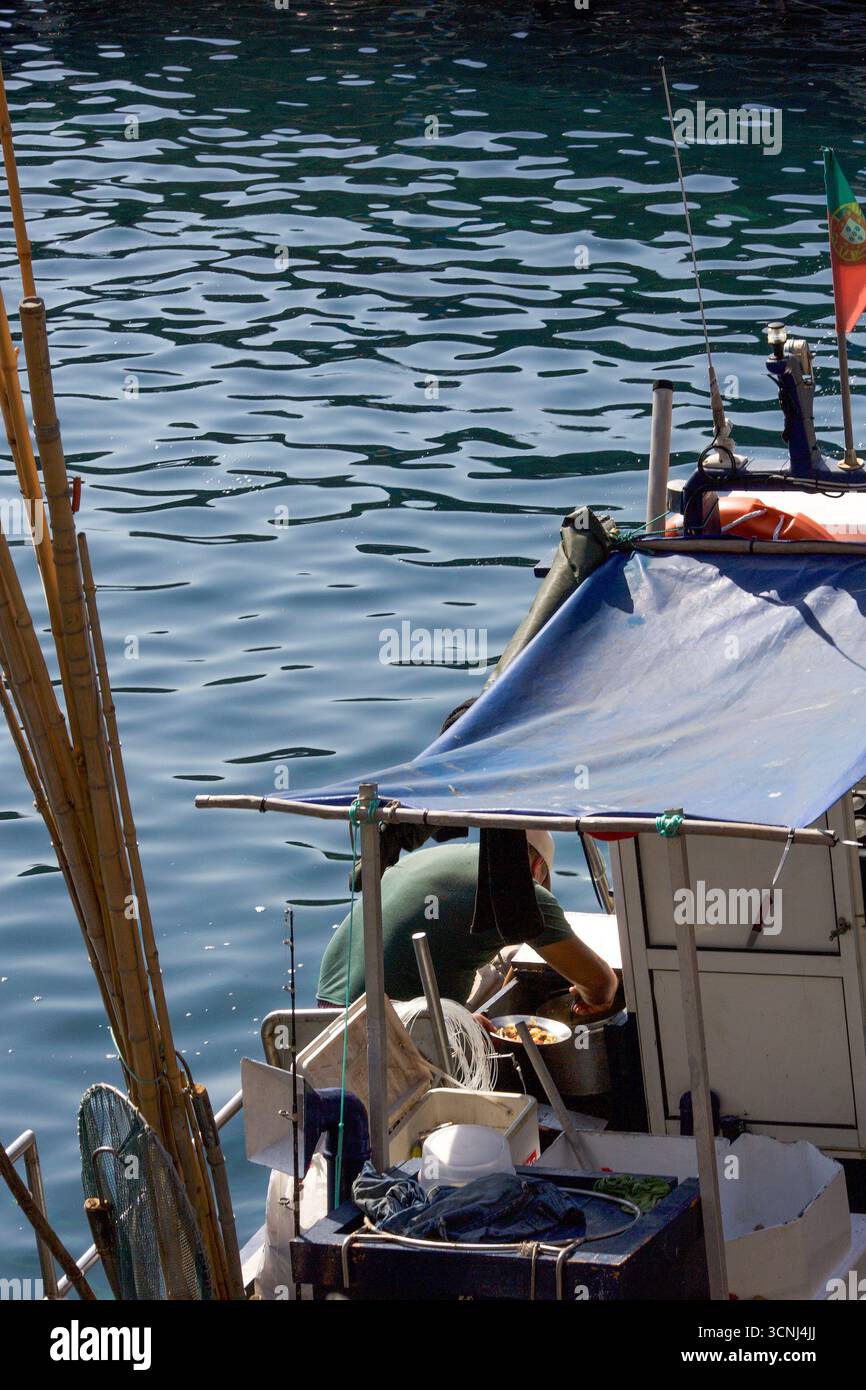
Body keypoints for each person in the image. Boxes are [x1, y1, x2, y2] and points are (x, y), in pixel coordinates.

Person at [316, 830, 618, 1017]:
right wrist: (593, 996)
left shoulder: (432, 858)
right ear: (538, 868)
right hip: (381, 1028)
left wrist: (459, 1020)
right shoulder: (521, 889)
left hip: (322, 1016)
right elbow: (601, 985)